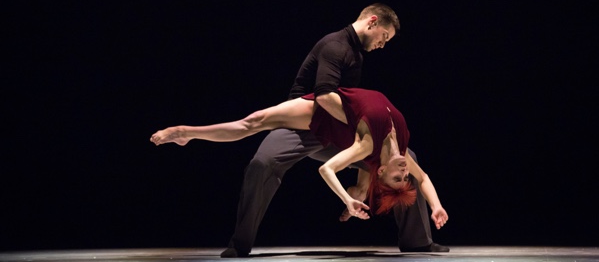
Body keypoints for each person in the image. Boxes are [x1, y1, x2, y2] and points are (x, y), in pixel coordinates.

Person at [162, 3, 448, 256]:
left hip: (338, 128)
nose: (383, 45)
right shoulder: (335, 46)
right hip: (305, 123)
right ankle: (240, 243)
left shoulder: (357, 55)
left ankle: (418, 241)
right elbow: (324, 96)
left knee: (404, 157)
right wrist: (363, 124)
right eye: (384, 37)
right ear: (372, 21)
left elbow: (372, 150)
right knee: (262, 163)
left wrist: (360, 188)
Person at [150, 87, 449, 227]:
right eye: (404, 176)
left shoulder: (367, 147)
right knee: (253, 121)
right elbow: (424, 179)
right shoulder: (401, 149)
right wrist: (436, 206)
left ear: (381, 171)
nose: (405, 171)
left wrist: (347, 199)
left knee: (253, 121)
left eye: (398, 177)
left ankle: (184, 132)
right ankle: (187, 133)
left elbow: (327, 170)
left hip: (322, 115)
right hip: (339, 108)